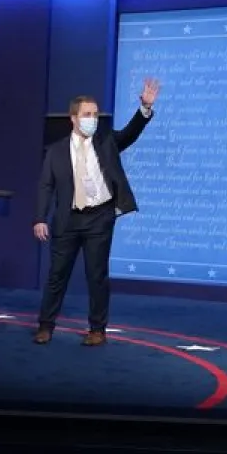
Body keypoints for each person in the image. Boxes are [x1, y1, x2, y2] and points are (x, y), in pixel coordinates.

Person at [33, 78, 160, 346]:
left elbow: (130, 133)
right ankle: (45, 326)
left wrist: (144, 110)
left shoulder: (106, 141)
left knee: (97, 275)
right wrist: (39, 218)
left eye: (95, 114)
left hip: (99, 218)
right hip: (67, 220)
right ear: (73, 118)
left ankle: (97, 330)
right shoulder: (55, 151)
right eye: (87, 115)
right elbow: (46, 185)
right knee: (57, 275)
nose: (93, 119)